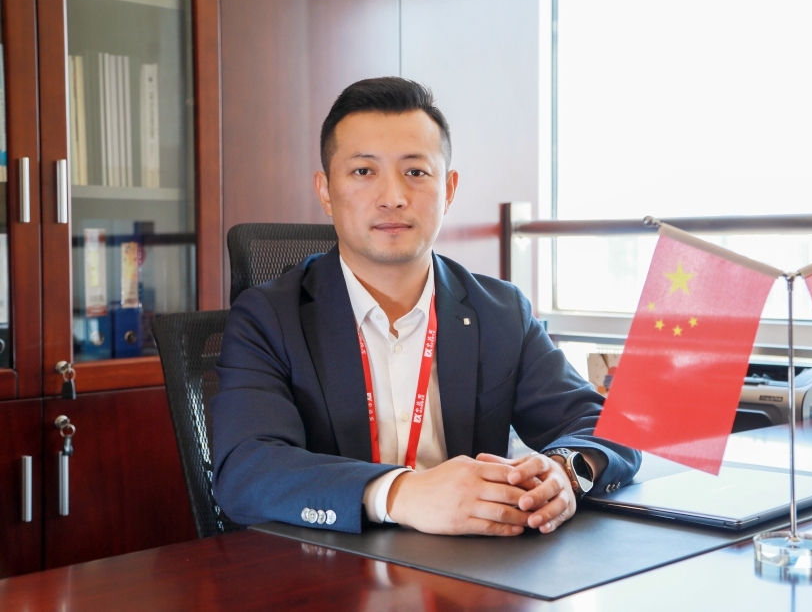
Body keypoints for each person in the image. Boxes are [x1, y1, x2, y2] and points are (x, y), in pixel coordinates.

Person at [212, 77, 640, 537]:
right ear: (326, 192)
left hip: (473, 564)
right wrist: (401, 493)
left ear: (449, 189)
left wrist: (565, 470)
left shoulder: (499, 312)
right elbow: (247, 469)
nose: (393, 197)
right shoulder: (268, 317)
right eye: (363, 171)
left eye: (415, 172)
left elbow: (606, 425)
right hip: (332, 562)